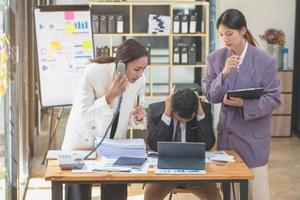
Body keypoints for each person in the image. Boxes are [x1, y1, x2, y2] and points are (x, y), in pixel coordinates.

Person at [202, 8, 281, 200]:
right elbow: (210, 96)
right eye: (221, 34)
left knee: (256, 193)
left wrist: (244, 104)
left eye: (229, 34)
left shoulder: (265, 61)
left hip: (252, 138)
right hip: (227, 138)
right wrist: (224, 73)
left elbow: (274, 98)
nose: (225, 39)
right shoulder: (215, 59)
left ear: (243, 31)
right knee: (230, 193)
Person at [61, 39, 148, 200]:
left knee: (115, 191)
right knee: (77, 192)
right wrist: (108, 98)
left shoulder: (139, 81)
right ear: (122, 65)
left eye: (144, 69)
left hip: (113, 145)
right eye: (137, 69)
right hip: (82, 143)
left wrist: (138, 116)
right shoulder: (93, 73)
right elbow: (85, 113)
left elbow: (132, 118)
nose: (141, 74)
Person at [144, 88, 222, 200]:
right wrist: (166, 114)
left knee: (214, 195)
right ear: (172, 109)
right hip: (165, 173)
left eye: (188, 119)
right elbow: (153, 145)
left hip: (196, 173)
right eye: (180, 119)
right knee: (150, 194)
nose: (184, 122)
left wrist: (200, 114)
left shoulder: (203, 109)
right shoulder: (155, 110)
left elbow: (209, 144)